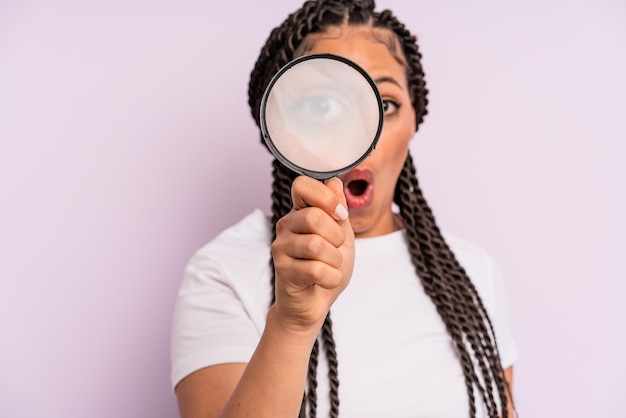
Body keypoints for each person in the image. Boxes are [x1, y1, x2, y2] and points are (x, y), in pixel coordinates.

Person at [171, 1, 518, 417]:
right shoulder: (224, 271)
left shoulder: (471, 272)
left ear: (413, 119)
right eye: (323, 105)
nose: (361, 135)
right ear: (278, 127)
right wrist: (292, 324)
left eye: (384, 105)